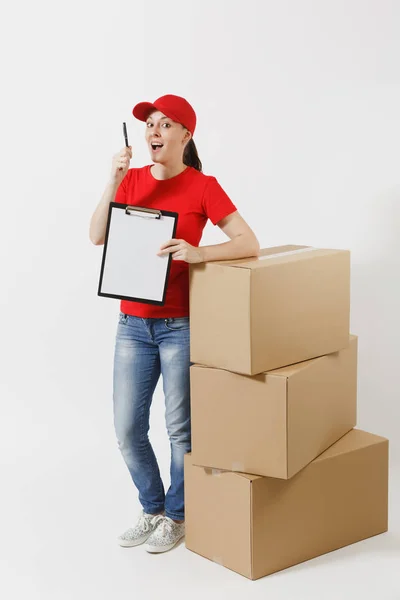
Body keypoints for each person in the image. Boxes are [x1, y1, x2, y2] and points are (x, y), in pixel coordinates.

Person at [89, 94, 260, 554]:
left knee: (180, 429)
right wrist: (113, 181)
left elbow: (249, 241)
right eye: (149, 125)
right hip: (132, 324)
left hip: (179, 326)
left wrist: (200, 252)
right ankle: (153, 507)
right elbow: (96, 235)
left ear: (186, 135)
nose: (153, 132)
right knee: (127, 428)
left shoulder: (203, 187)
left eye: (165, 125)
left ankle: (178, 516)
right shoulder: (132, 180)